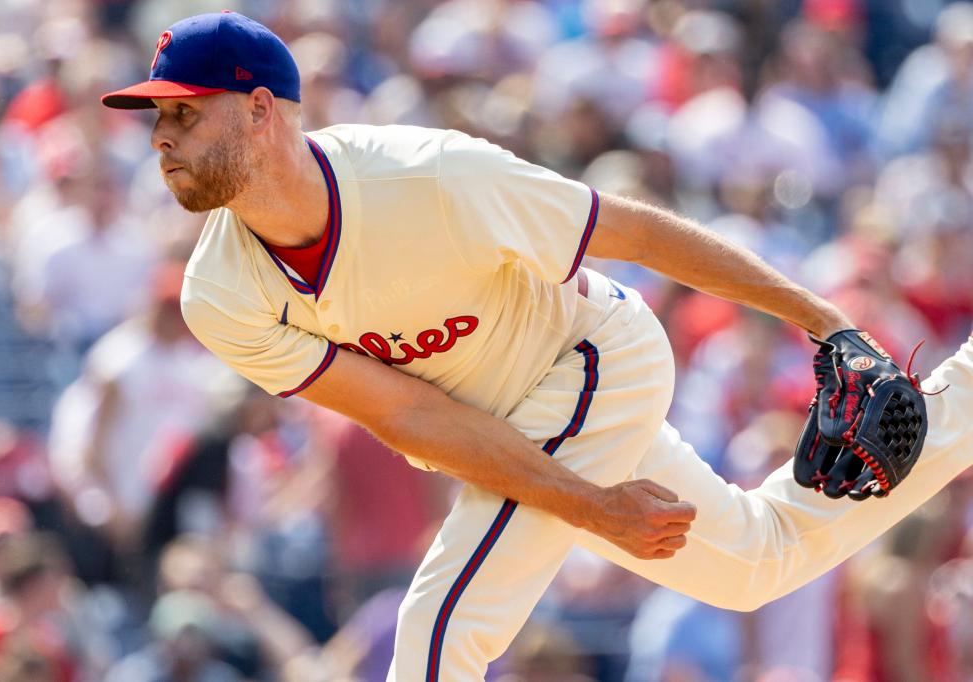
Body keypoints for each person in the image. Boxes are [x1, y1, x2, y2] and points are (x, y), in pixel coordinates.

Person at [100, 12, 973, 681]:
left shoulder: (423, 177)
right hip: (509, 426)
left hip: (592, 359)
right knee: (757, 562)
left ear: (259, 112)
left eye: (184, 112)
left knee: (440, 628)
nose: (162, 138)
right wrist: (585, 503)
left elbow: (630, 230)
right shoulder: (216, 293)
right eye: (154, 119)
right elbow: (408, 414)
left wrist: (826, 321)